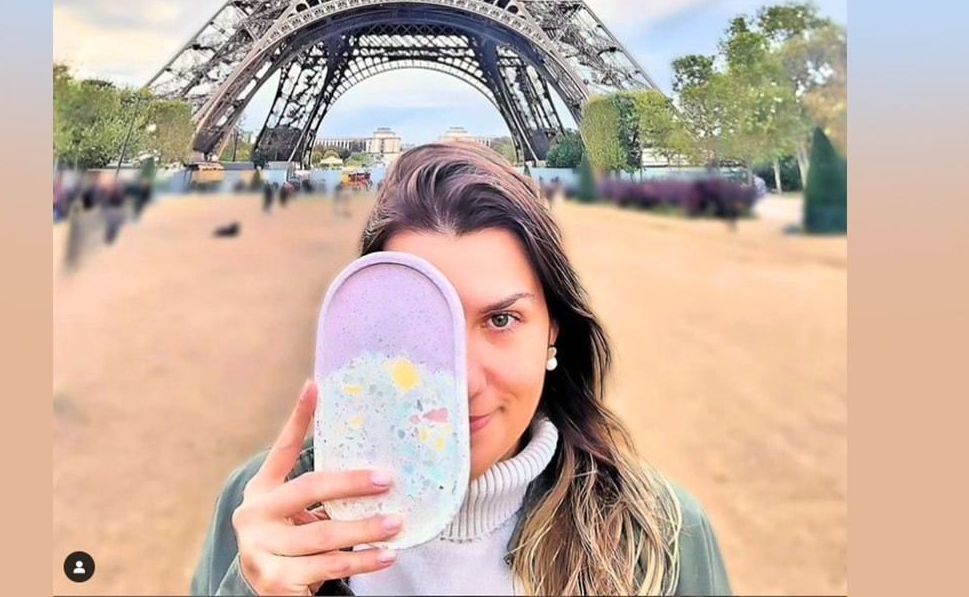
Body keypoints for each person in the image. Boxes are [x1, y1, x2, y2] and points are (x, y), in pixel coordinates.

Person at [189, 143, 730, 596]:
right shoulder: (263, 515)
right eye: (417, 325)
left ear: (553, 329)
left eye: (501, 319)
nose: (464, 382)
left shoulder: (666, 533)